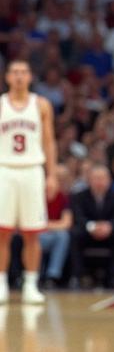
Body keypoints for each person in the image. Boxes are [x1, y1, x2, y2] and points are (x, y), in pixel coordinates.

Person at [0, 59, 58, 304]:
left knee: (32, 234)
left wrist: (52, 174)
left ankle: (31, 285)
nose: (20, 76)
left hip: (33, 169)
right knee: (1, 233)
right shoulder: (1, 104)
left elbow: (49, 141)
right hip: (4, 169)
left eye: (24, 71)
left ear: (31, 76)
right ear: (8, 77)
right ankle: (1, 283)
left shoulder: (41, 104)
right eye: (15, 72)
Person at [69, 164, 114, 288]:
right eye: (96, 178)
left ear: (109, 181)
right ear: (89, 180)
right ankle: (78, 276)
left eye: (102, 178)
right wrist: (92, 227)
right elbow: (78, 217)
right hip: (87, 232)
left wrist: (109, 226)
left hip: (109, 233)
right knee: (74, 234)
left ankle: (112, 276)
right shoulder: (78, 196)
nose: (99, 182)